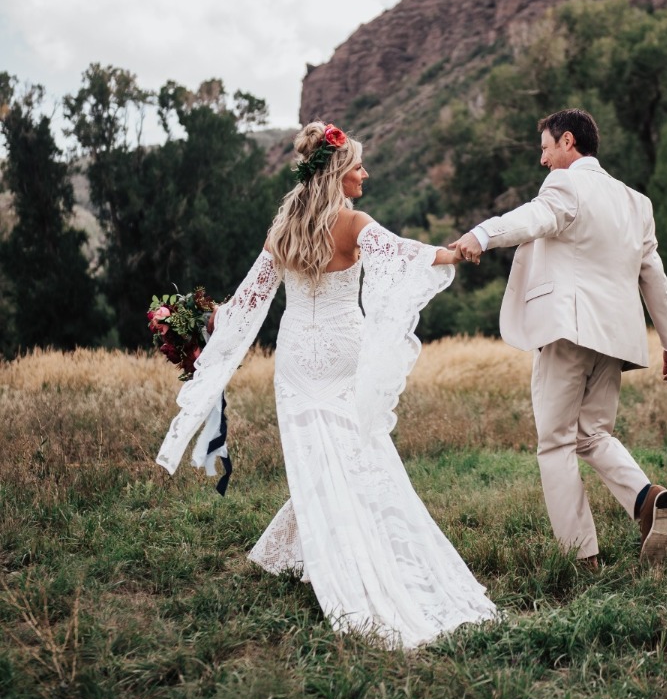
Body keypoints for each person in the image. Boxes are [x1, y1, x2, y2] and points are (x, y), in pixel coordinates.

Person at [157, 121, 497, 648]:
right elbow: (406, 253)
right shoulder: (354, 222)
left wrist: (197, 323)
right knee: (358, 451)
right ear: (338, 171)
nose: (365, 172)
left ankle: (318, 543)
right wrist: (457, 251)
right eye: (358, 164)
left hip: (296, 356)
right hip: (342, 349)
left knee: (317, 454)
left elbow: (248, 300)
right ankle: (345, 549)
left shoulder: (282, 231)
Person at [452, 108, 667, 567]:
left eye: (545, 148)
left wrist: (482, 234)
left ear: (568, 143)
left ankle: (583, 557)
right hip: (615, 338)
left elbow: (534, 218)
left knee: (555, 442)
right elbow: (652, 274)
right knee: (594, 433)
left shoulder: (566, 185)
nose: (543, 160)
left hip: (569, 329)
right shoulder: (637, 202)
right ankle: (645, 498)